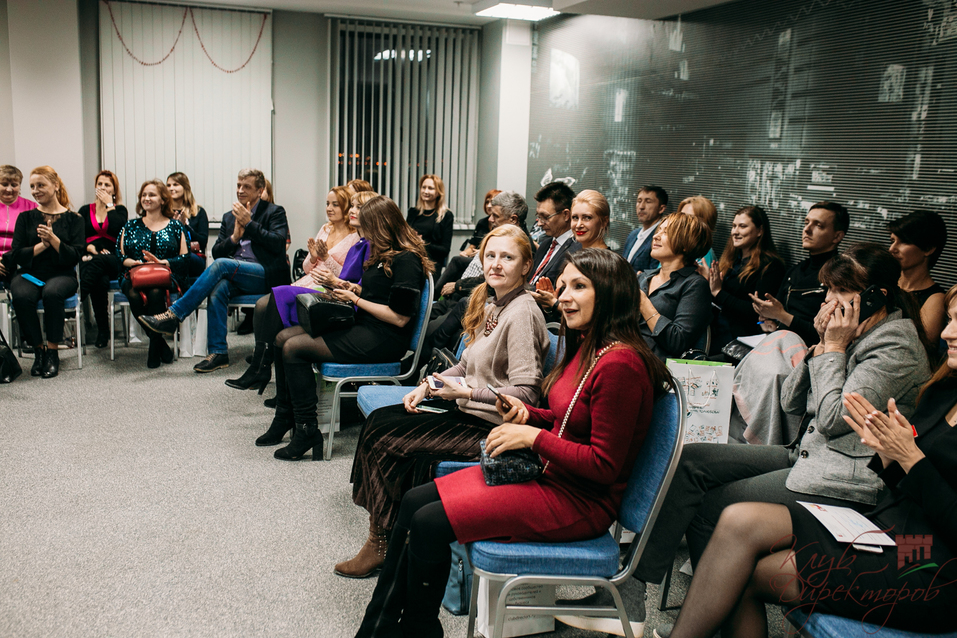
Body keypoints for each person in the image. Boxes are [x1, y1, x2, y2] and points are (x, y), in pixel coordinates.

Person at [595, 243, 931, 638]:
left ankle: (712, 607)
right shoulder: (852, 333)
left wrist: (834, 350)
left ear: (877, 297)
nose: (829, 302)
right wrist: (820, 348)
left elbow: (829, 417)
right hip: (811, 454)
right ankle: (638, 588)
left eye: (841, 293)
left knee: (712, 507)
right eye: (828, 291)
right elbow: (791, 401)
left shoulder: (895, 347)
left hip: (847, 478)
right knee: (693, 461)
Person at [353, 248, 674, 637]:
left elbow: (603, 465)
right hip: (555, 478)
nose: (564, 297)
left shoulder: (621, 364)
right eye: (563, 287)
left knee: (428, 522)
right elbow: (567, 419)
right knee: (414, 501)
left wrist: (534, 436)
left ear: (610, 294)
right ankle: (382, 627)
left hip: (581, 501)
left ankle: (412, 629)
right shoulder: (587, 345)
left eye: (579, 287)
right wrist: (526, 415)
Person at [656, 284, 957, 638]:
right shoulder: (943, 391)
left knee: (743, 571)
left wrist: (910, 459)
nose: (947, 332)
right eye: (951, 320)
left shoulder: (894, 348)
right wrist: (891, 457)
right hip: (892, 530)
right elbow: (792, 402)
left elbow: (835, 421)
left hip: (929, 563)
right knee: (739, 524)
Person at [335, 224, 550, 578]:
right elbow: (466, 365)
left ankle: (381, 541)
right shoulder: (494, 301)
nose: (496, 264)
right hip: (469, 409)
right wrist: (429, 384)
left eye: (507, 258)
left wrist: (465, 392)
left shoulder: (522, 313)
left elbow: (526, 393)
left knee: (385, 436)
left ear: (526, 266)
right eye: (491, 256)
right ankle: (387, 535)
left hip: (493, 428)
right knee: (379, 422)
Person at [259, 195, 431, 461]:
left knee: (294, 347)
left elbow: (399, 318)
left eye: (368, 228)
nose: (364, 234)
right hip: (366, 326)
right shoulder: (382, 253)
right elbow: (380, 294)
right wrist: (352, 287)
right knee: (282, 338)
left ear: (383, 225)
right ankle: (285, 416)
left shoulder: (406, 260)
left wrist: (356, 299)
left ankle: (306, 430)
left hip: (384, 338)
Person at [140, 168, 290, 372]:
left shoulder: (274, 211)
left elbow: (278, 244)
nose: (240, 190)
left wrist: (249, 224)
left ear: (260, 189)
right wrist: (235, 238)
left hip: (265, 274)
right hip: (237, 273)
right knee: (219, 287)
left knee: (221, 266)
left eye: (246, 186)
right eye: (238, 185)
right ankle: (218, 352)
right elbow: (218, 251)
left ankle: (173, 315)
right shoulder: (229, 217)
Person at [224, 185, 360, 391]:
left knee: (270, 304)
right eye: (327, 204)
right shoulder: (325, 229)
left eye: (335, 204)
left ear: (346, 207)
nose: (329, 208)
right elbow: (306, 267)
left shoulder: (354, 237)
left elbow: (345, 275)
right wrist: (314, 256)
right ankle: (261, 367)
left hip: (326, 288)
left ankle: (260, 368)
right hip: (308, 281)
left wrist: (325, 257)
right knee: (262, 304)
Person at [8, 166, 84, 378]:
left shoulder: (74, 219)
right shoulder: (25, 218)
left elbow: (75, 256)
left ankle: (52, 352)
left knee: (52, 294)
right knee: (21, 296)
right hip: (30, 273)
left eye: (40, 185)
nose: (35, 190)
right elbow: (16, 255)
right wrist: (42, 245)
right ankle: (38, 351)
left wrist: (54, 240)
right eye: (32, 186)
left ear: (55, 186)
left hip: (62, 274)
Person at [750, 201, 848, 346]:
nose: (807, 229)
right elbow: (779, 317)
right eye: (806, 222)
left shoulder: (841, 276)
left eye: (818, 225)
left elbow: (828, 335)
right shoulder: (795, 271)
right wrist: (770, 321)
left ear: (837, 236)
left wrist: (782, 316)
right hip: (780, 344)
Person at [116, 180, 189, 369]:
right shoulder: (130, 225)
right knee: (133, 294)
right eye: (144, 195)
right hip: (134, 275)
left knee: (156, 292)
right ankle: (161, 345)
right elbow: (119, 255)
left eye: (152, 195)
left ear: (163, 200)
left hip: (165, 276)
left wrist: (163, 262)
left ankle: (154, 349)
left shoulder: (175, 226)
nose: (146, 198)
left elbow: (185, 258)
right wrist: (134, 263)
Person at [707, 205, 786, 349]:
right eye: (734, 226)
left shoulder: (771, 266)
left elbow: (756, 311)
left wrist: (718, 293)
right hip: (716, 333)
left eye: (742, 226)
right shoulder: (730, 260)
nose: (735, 232)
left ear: (760, 231)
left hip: (743, 340)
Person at [637, 213, 713, 360]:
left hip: (654, 365)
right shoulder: (643, 278)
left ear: (686, 243)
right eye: (658, 230)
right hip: (620, 351)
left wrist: (644, 304)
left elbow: (677, 342)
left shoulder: (694, 285)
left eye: (665, 232)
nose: (656, 236)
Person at [531, 189, 612, 317]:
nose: (578, 225)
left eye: (587, 218)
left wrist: (555, 304)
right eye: (575, 218)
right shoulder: (574, 256)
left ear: (604, 221)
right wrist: (548, 305)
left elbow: (598, 316)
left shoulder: (609, 265)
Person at [78, 170, 128, 348]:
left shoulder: (120, 210)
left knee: (96, 263)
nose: (103, 187)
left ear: (114, 190)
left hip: (113, 258)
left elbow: (118, 230)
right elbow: (77, 238)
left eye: (107, 185)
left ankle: (78, 296)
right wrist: (90, 248)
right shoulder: (85, 210)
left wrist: (109, 205)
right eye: (100, 184)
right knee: (99, 281)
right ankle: (103, 331)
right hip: (91, 256)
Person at [888, 210, 948, 345]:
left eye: (903, 242)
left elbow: (919, 348)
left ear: (928, 248)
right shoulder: (884, 283)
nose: (892, 248)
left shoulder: (936, 299)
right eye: (892, 241)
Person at [529, 181, 579, 295]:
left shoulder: (575, 251)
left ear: (566, 215)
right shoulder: (546, 244)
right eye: (538, 216)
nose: (540, 224)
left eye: (545, 217)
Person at [406, 174, 453, 276]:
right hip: (411, 258)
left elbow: (444, 250)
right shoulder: (413, 212)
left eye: (430, 188)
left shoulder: (446, 215)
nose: (426, 191)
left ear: (438, 192)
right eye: (424, 187)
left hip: (432, 262)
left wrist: (423, 243)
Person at [166, 172, 208, 278]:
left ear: (185, 187)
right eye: (168, 185)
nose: (171, 188)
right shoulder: (163, 212)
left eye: (175, 185)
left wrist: (184, 227)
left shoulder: (198, 212)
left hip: (193, 257)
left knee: (184, 258)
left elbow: (202, 242)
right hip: (168, 256)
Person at [0, 165, 35, 285]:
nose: (9, 189)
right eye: (4, 184)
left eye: (14, 185)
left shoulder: (31, 208)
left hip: (19, 262)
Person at [621, 185, 667, 273]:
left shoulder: (661, 238)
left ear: (661, 209)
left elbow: (654, 274)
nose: (641, 206)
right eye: (639, 201)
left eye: (648, 202)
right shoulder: (633, 234)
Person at [677, 195, 718, 267]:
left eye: (690, 218)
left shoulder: (704, 254)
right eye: (681, 216)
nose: (682, 221)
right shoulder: (675, 246)